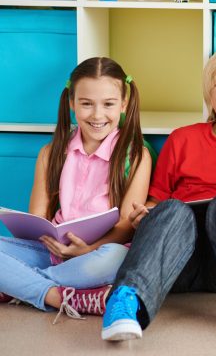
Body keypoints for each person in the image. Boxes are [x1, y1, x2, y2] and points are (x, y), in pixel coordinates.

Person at [100, 44, 216, 347]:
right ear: (209, 94)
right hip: (174, 260)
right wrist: (145, 216)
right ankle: (126, 300)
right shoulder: (183, 139)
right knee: (173, 209)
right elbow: (156, 201)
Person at [0, 57, 152, 322]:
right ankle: (58, 295)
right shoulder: (51, 153)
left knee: (117, 259)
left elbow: (126, 225)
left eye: (108, 104)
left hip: (98, 253)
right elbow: (38, 217)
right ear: (72, 103)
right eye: (86, 104)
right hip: (49, 252)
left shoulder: (137, 155)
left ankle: (18, 287)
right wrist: (46, 237)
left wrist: (88, 249)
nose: (97, 115)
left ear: (124, 104)